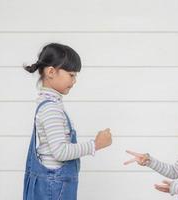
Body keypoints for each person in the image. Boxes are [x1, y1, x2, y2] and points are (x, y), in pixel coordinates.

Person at [23, 43, 112, 200]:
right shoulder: (51, 109)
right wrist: (95, 144)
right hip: (54, 188)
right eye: (71, 75)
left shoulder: (48, 104)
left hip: (52, 186)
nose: (75, 80)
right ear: (51, 72)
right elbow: (61, 152)